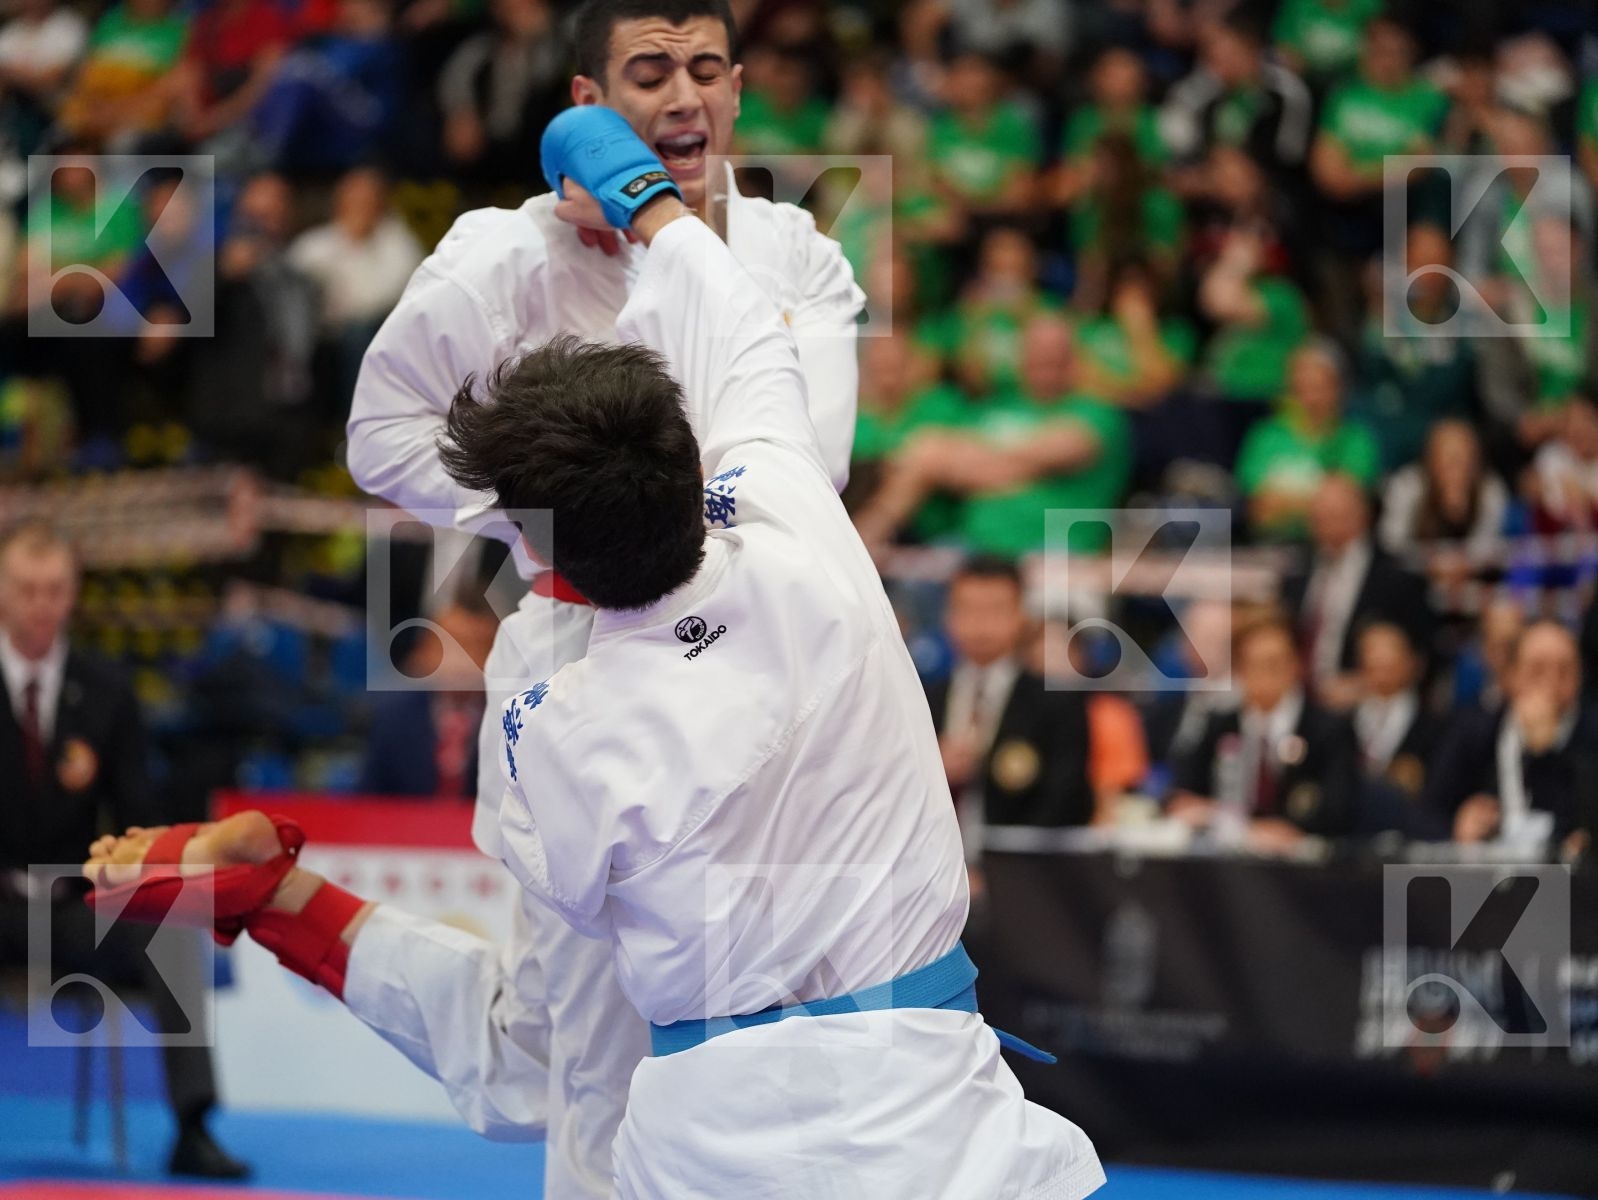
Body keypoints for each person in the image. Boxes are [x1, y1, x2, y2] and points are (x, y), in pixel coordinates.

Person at [87, 108, 1103, 1200]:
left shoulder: (556, 724)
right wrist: (638, 191)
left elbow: (538, 1026)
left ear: (528, 552)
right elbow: (732, 319)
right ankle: (281, 903)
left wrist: (282, 906)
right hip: (941, 1121)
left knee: (547, 1040)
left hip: (717, 1145)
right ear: (689, 450)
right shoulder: (801, 527)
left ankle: (280, 904)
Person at [341, 1, 865, 1195]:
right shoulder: (500, 256)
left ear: (736, 90)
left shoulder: (796, 255)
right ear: (586, 105)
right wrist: (540, 528)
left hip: (758, 653)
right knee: (594, 1030)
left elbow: (808, 467)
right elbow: (379, 435)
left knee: (780, 1014)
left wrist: (660, 246)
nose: (681, 96)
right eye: (646, 72)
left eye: (703, 68)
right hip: (581, 655)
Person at [0, 524, 247, 1180]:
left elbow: (139, 816)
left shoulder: (106, 689)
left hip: (74, 902)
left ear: (72, 594)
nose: (40, 604)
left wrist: (129, 868)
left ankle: (194, 1128)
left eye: (53, 590)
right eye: (26, 589)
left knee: (167, 927)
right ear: (2, 591)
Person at [924, 557, 1094, 858]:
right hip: (930, 873)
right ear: (948, 616)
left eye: (994, 610)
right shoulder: (922, 699)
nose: (979, 624)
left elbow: (1067, 802)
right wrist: (930, 769)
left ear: (1022, 616)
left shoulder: (1056, 703)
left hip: (1022, 878)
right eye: (967, 609)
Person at [1170, 613, 1360, 849]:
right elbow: (1184, 795)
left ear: (1295, 665)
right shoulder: (1220, 725)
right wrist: (1237, 825)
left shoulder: (1327, 729)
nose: (1267, 675)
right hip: (1227, 863)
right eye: (1255, 665)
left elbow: (1337, 809)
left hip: (1304, 866)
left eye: (1275, 664)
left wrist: (1292, 830)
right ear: (1239, 670)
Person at [1426, 620, 1597, 856]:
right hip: (1483, 879)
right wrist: (1455, 828)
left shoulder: (1591, 734)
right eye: (1538, 669)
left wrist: (1545, 755)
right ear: (1512, 675)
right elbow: (1427, 813)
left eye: (1565, 670)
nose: (1552, 682)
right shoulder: (1475, 731)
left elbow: (1578, 821)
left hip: (1572, 885)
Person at [1282, 473, 1434, 709]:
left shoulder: (1398, 580)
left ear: (1362, 514)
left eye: (1334, 512)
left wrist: (1365, 684)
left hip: (1365, 706)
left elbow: (1423, 658)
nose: (1324, 520)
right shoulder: (1296, 575)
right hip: (1298, 706)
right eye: (1318, 513)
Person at [357, 598, 497, 797]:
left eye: (473, 647)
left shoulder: (508, 721)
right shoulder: (392, 719)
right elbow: (367, 799)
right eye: (448, 645)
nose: (460, 661)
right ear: (424, 651)